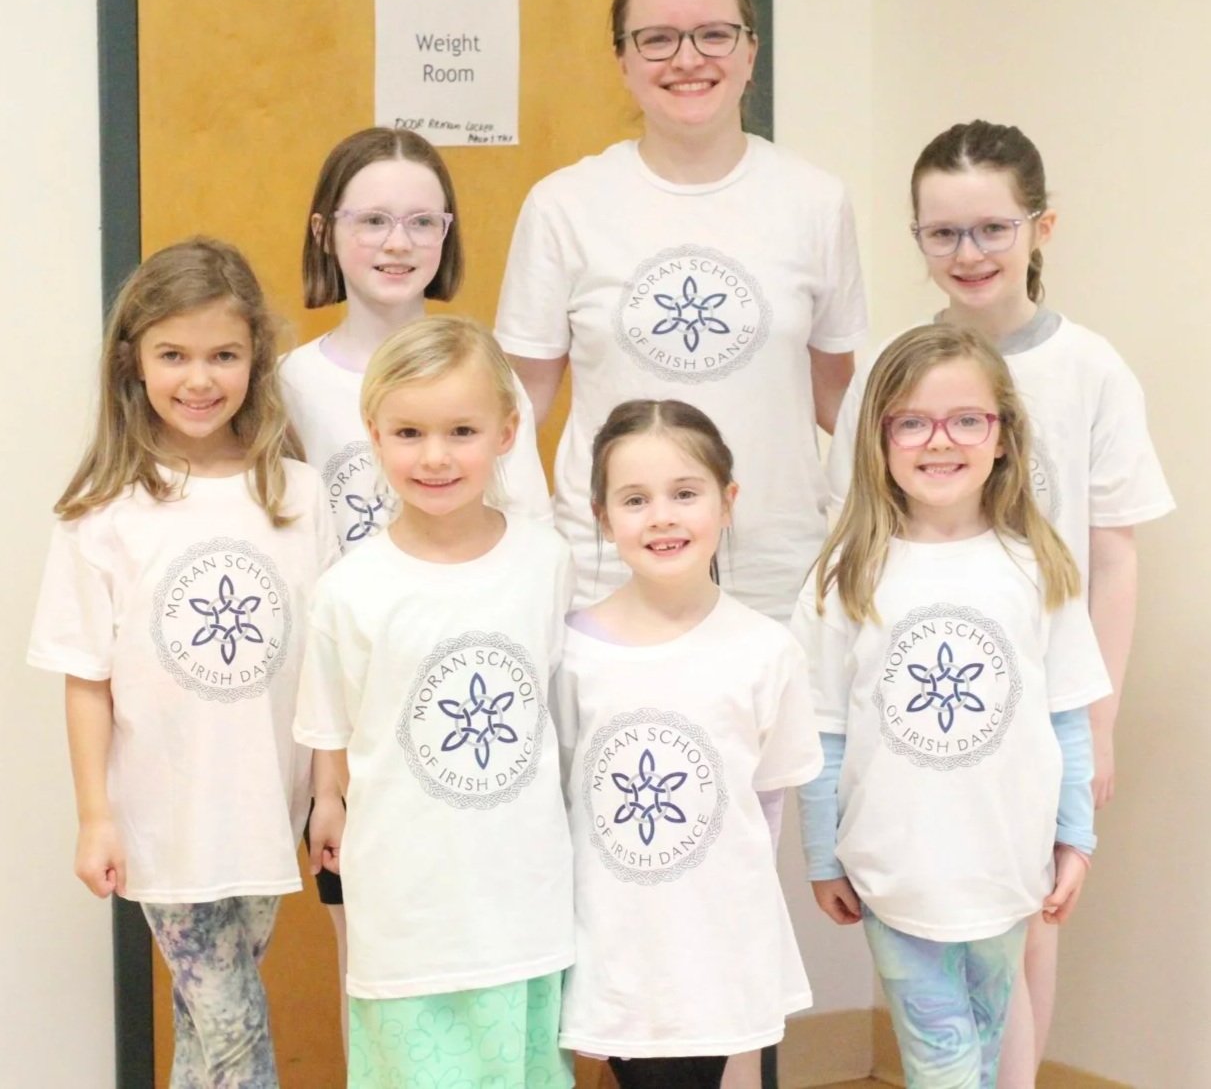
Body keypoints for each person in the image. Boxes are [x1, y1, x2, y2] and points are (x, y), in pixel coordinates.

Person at [826, 121, 1174, 1083]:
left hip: (1036, 714)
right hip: (919, 728)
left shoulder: (1089, 368)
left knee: (1030, 931)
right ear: (916, 238)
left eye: (990, 228)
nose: (967, 254)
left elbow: (1111, 555)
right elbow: (854, 531)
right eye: (941, 233)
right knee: (931, 963)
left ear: (1040, 227)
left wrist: (1094, 723)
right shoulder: (886, 372)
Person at [28, 238, 337, 1087]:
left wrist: (331, 791)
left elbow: (330, 663)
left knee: (207, 1032)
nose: (198, 379)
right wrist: (96, 814)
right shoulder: (104, 511)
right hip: (165, 821)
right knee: (235, 1033)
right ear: (133, 361)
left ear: (256, 361)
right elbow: (85, 675)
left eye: (222, 355)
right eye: (174, 355)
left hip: (268, 812)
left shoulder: (298, 496)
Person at [496, 0, 866, 625]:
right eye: (658, 39)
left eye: (714, 35)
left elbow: (836, 397)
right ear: (622, 60)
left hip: (777, 574)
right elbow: (517, 406)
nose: (688, 58)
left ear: (750, 51)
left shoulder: (814, 201)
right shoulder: (563, 205)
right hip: (610, 569)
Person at [279, 126, 552, 1027]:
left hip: (470, 723)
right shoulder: (286, 384)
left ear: (447, 235)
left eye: (420, 222)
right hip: (349, 723)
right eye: (372, 220)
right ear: (326, 231)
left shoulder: (486, 374)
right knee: (378, 975)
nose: (397, 243)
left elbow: (533, 538)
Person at [798, 324, 1111, 1088]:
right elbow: (823, 730)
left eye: (966, 418)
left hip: (1006, 861)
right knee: (939, 1053)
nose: (940, 441)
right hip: (895, 864)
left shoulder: (1038, 566)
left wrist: (1076, 836)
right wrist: (819, 852)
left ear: (1003, 436)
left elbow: (1066, 716)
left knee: (983, 1031)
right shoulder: (843, 575)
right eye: (911, 421)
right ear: (878, 438)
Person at [293, 316, 574, 1089]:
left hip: (524, 896)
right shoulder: (350, 588)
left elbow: (563, 706)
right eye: (410, 432)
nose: (436, 455)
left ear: (507, 431)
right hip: (407, 906)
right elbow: (330, 717)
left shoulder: (546, 564)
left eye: (461, 430)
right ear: (373, 433)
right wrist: (324, 797)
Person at [556, 399, 822, 1089]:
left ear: (726, 502)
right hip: (622, 951)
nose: (662, 516)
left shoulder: (766, 652)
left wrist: (737, 927)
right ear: (600, 513)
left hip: (726, 950)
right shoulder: (571, 651)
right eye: (635, 498)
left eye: (684, 493)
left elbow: (765, 803)